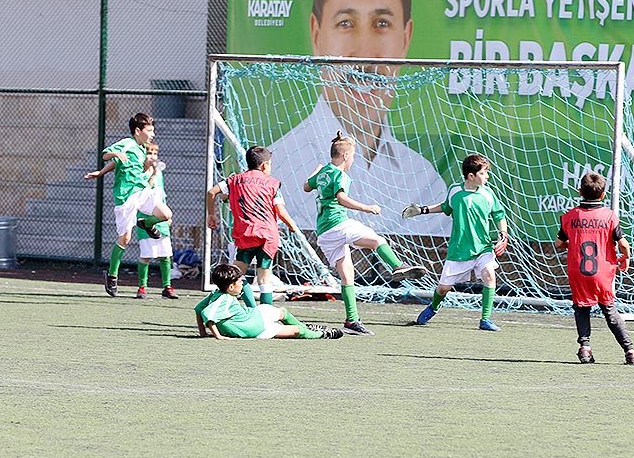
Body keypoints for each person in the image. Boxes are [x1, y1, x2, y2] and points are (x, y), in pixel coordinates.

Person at [268, 0, 449, 237]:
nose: (365, 53)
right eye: (346, 23)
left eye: (381, 23)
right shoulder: (283, 164)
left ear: (405, 39)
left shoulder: (426, 179)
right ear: (316, 35)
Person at [305, 132, 427, 336]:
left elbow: (306, 186)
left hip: (324, 233)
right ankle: (397, 266)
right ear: (345, 156)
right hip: (338, 224)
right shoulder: (339, 174)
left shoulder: (324, 171)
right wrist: (366, 208)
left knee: (347, 276)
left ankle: (352, 321)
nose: (353, 160)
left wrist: (315, 173)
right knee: (377, 240)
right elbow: (341, 198)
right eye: (352, 156)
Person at [404, 153, 508, 331]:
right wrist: (422, 210)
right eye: (484, 173)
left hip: (483, 247)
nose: (487, 176)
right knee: (443, 289)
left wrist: (503, 234)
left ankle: (485, 319)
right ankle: (434, 307)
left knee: (490, 276)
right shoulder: (455, 190)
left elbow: (499, 215)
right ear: (471, 176)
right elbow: (445, 207)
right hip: (459, 250)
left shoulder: (488, 194)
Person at [555, 172, 634, 365]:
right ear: (603, 195)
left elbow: (559, 243)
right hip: (602, 272)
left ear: (579, 192)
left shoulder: (570, 216)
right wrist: (625, 258)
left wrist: (572, 245)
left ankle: (585, 348)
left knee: (581, 308)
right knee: (609, 310)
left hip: (578, 271)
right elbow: (624, 245)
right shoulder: (609, 216)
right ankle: (630, 351)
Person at [84, 112, 172, 297]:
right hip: (126, 197)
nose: (152, 134)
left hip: (142, 191)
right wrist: (103, 169)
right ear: (138, 130)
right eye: (150, 130)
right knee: (125, 239)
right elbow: (107, 155)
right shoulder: (127, 143)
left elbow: (125, 164)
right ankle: (112, 275)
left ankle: (146, 223)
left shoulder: (142, 149)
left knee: (166, 214)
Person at [205, 145, 301, 306]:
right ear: (264, 165)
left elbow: (211, 192)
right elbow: (281, 211)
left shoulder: (234, 180)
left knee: (235, 275)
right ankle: (266, 314)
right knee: (264, 277)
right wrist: (292, 225)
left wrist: (212, 215)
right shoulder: (273, 183)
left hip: (246, 233)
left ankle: (215, 307)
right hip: (267, 235)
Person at [194, 263, 342, 340]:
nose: (242, 284)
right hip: (259, 329)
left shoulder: (217, 292)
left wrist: (202, 333)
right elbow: (208, 314)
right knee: (298, 331)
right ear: (231, 286)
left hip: (255, 314)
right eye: (240, 282)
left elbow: (198, 309)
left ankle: (307, 327)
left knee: (283, 313)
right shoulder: (224, 299)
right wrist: (218, 336)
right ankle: (322, 334)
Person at [132, 142, 176, 299]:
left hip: (159, 217)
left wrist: (167, 216)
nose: (152, 156)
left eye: (155, 153)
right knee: (146, 255)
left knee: (165, 254)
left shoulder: (160, 173)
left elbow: (161, 195)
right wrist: (151, 173)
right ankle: (142, 287)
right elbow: (144, 190)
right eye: (149, 153)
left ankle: (167, 287)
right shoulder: (141, 171)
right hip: (146, 216)